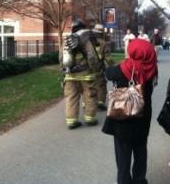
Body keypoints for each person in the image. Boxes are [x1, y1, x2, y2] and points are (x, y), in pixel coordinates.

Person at [102, 39, 158, 184]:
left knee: (123, 154)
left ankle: (124, 180)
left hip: (122, 118)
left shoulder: (123, 68)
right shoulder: (152, 68)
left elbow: (108, 73)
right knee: (141, 151)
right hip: (143, 117)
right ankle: (140, 180)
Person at [62, 18, 100, 129]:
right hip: (86, 75)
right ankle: (90, 119)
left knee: (71, 98)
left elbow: (61, 58)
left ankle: (72, 121)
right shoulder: (86, 40)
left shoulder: (66, 41)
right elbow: (92, 57)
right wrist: (95, 69)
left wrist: (64, 70)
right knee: (90, 96)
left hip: (70, 76)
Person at [93, 24, 114, 110]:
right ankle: (100, 102)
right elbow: (108, 58)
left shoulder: (87, 41)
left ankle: (86, 103)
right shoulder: (103, 43)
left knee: (89, 85)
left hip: (87, 68)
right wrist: (113, 67)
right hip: (98, 67)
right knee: (101, 85)